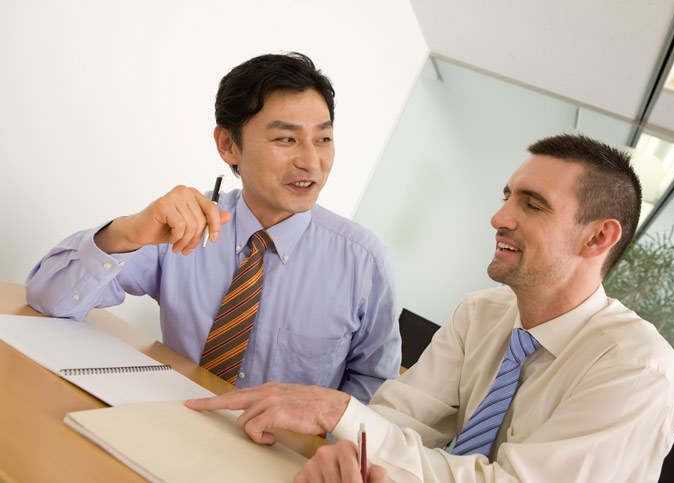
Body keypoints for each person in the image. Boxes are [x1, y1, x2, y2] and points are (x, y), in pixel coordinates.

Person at [187, 134, 674, 482]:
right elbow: (399, 423)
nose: (498, 217)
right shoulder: (482, 313)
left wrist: (339, 413)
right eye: (507, 196)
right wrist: (353, 458)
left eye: (532, 205)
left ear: (598, 236)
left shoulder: (635, 368)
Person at [25, 52, 401, 403]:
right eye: (286, 139)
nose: (310, 161)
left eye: (323, 139)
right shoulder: (185, 223)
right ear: (228, 145)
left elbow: (376, 387)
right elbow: (47, 299)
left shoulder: (364, 263)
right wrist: (125, 233)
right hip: (174, 421)